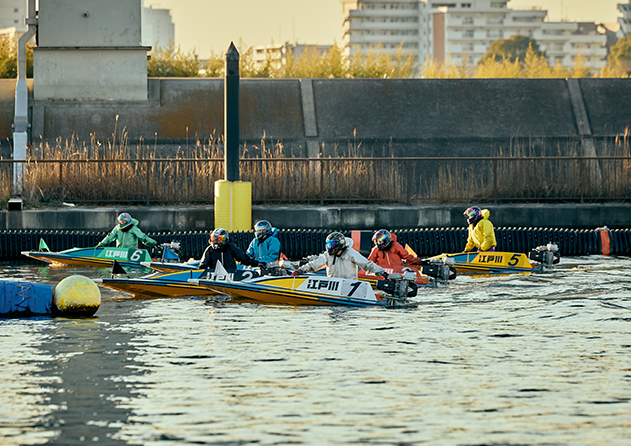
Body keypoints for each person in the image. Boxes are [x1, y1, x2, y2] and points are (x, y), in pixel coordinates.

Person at [291, 232, 387, 280]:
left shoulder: (351, 253)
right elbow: (314, 264)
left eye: (332, 244)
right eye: (329, 244)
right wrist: (300, 271)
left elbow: (367, 265)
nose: (330, 247)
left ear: (339, 244)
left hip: (349, 286)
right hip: (333, 286)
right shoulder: (327, 255)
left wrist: (382, 273)